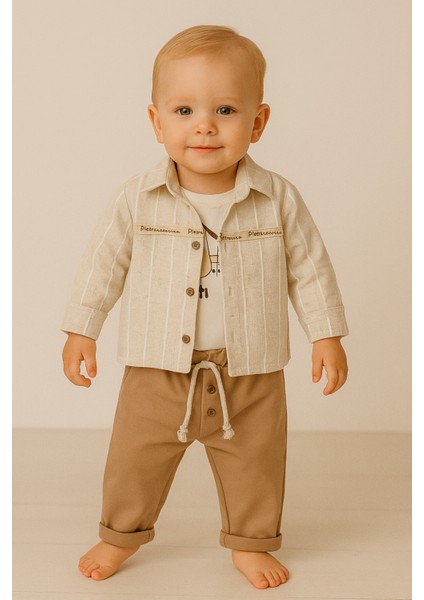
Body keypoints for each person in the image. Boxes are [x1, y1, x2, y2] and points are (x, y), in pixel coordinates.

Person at [61, 25, 349, 590]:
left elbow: (310, 268)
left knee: (256, 462)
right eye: (184, 109)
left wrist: (327, 335)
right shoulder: (137, 198)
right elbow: (102, 265)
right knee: (134, 459)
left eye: (225, 109)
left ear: (258, 122)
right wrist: (81, 329)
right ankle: (120, 534)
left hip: (250, 368)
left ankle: (251, 543)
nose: (204, 125)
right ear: (156, 121)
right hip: (156, 366)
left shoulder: (277, 198)